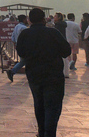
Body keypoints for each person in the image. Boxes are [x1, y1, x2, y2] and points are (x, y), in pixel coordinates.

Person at [16, 7, 71, 137]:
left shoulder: (25, 34)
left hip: (34, 75)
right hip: (53, 76)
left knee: (39, 104)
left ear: (29, 20)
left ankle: (42, 132)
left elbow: (21, 53)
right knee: (52, 107)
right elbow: (66, 51)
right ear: (44, 20)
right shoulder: (53, 33)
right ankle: (49, 134)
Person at [6, 15, 29, 82]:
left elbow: (12, 38)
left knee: (24, 61)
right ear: (24, 20)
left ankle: (12, 72)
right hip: (24, 47)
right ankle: (12, 71)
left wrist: (16, 45)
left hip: (18, 46)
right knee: (26, 61)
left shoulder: (17, 27)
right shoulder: (24, 28)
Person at [53, 12, 70, 78]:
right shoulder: (62, 24)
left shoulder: (58, 25)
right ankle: (66, 72)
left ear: (59, 18)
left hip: (58, 43)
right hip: (63, 42)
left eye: (55, 16)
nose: (54, 17)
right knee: (65, 59)